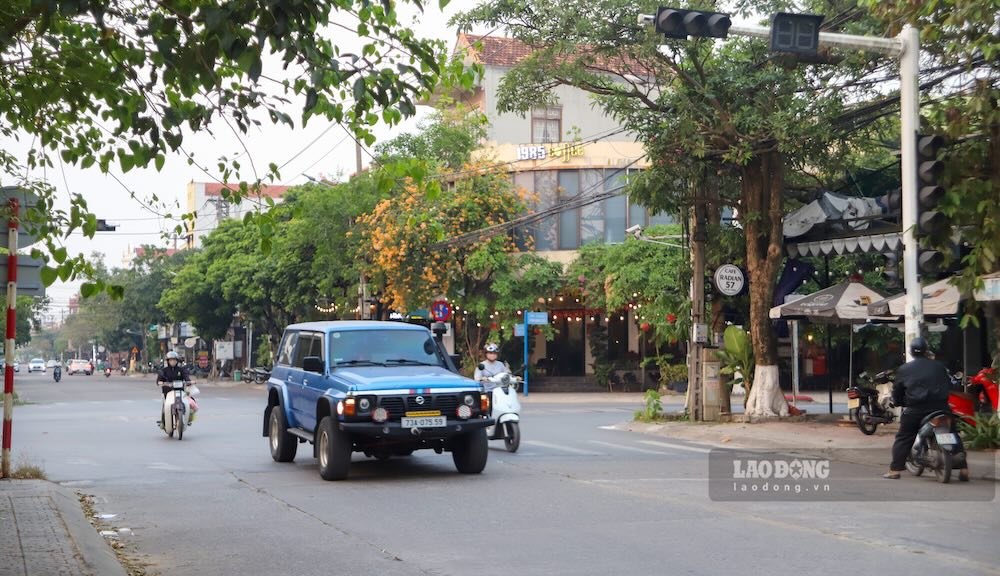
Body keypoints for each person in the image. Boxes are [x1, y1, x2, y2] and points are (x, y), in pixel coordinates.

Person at [884, 337, 969, 481]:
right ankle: (964, 470)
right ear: (926, 351)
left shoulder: (904, 369)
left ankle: (894, 470)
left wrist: (897, 401)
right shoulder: (939, 366)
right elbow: (950, 385)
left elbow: (897, 391)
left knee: (904, 437)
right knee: (953, 433)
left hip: (916, 410)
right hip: (941, 408)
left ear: (911, 352)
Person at [156, 351, 195, 427]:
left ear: (177, 361)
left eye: (174, 360)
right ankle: (163, 422)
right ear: (168, 361)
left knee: (189, 404)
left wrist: (189, 381)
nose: (173, 362)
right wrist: (162, 383)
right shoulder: (164, 370)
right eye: (171, 360)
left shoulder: (181, 370)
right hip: (167, 393)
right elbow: (159, 380)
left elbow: (186, 377)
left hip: (180, 392)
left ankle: (188, 419)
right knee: (165, 407)